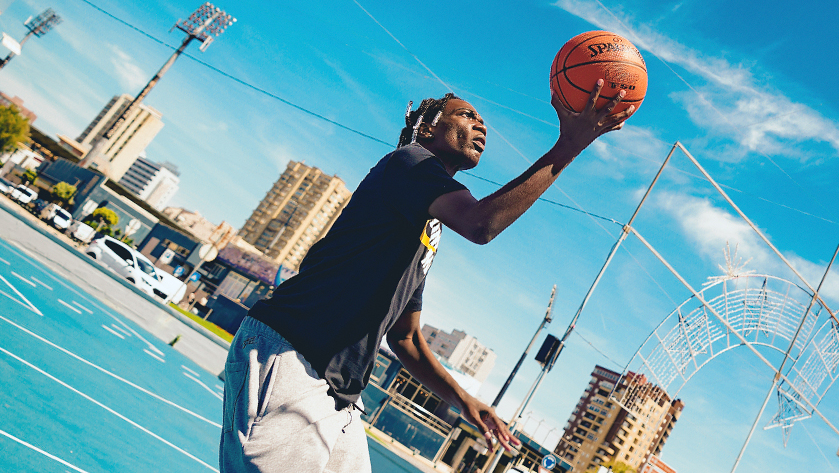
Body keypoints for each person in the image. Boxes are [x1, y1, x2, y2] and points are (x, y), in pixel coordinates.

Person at [220, 80, 634, 472]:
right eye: (467, 115)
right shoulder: (408, 163)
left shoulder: (427, 225)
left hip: (340, 394)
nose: (482, 125)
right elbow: (480, 224)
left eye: (481, 121)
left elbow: (406, 337)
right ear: (429, 127)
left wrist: (464, 399)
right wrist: (569, 146)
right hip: (293, 355)